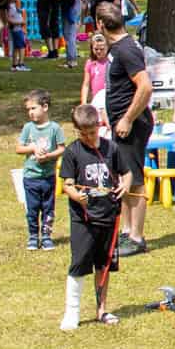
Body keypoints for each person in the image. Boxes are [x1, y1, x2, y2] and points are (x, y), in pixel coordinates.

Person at [57, 101, 138, 330]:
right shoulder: (73, 152)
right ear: (77, 131)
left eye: (92, 133)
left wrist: (124, 186)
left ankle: (101, 309)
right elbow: (68, 184)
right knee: (80, 263)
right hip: (84, 219)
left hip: (109, 216)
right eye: (84, 134)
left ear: (99, 127)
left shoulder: (111, 148)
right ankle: (71, 312)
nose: (90, 138)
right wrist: (76, 196)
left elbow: (127, 173)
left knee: (104, 265)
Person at [97, 3, 153, 260]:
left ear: (100, 24)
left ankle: (137, 237)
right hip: (120, 121)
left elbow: (145, 87)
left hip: (133, 124)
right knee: (124, 178)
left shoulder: (127, 49)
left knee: (135, 179)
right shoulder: (118, 48)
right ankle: (128, 230)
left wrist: (128, 119)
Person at [15, 89, 63, 252]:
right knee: (32, 208)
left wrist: (49, 156)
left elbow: (62, 149)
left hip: (48, 177)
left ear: (45, 107)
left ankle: (47, 236)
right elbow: (18, 148)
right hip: (30, 177)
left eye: (33, 108)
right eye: (28, 109)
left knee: (48, 208)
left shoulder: (55, 128)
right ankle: (33, 237)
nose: (30, 112)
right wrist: (32, 148)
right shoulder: (28, 128)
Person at [78, 31, 110, 115]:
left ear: (108, 47)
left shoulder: (111, 62)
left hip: (110, 99)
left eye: (102, 49)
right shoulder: (90, 63)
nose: (99, 51)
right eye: (96, 49)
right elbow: (86, 84)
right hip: (97, 100)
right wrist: (84, 102)